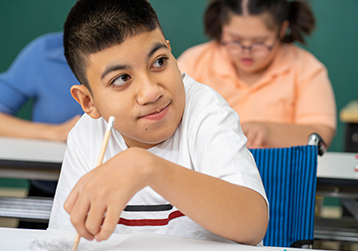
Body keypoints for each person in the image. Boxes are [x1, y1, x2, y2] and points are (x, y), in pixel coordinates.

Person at [49, 0, 268, 246]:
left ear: (171, 53)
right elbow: (65, 239)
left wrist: (147, 167)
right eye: (121, 79)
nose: (151, 92)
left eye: (159, 62)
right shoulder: (87, 135)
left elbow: (253, 223)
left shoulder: (205, 110)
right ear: (88, 102)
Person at [177, 0, 336, 149]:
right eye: (235, 40)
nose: (246, 52)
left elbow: (321, 135)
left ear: (281, 30)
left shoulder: (306, 69)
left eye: (259, 42)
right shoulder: (193, 63)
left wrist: (266, 131)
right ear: (221, 28)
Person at [0, 32, 84, 228]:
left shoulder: (150, 50)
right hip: (49, 193)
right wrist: (54, 132)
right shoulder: (45, 51)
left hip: (134, 196)